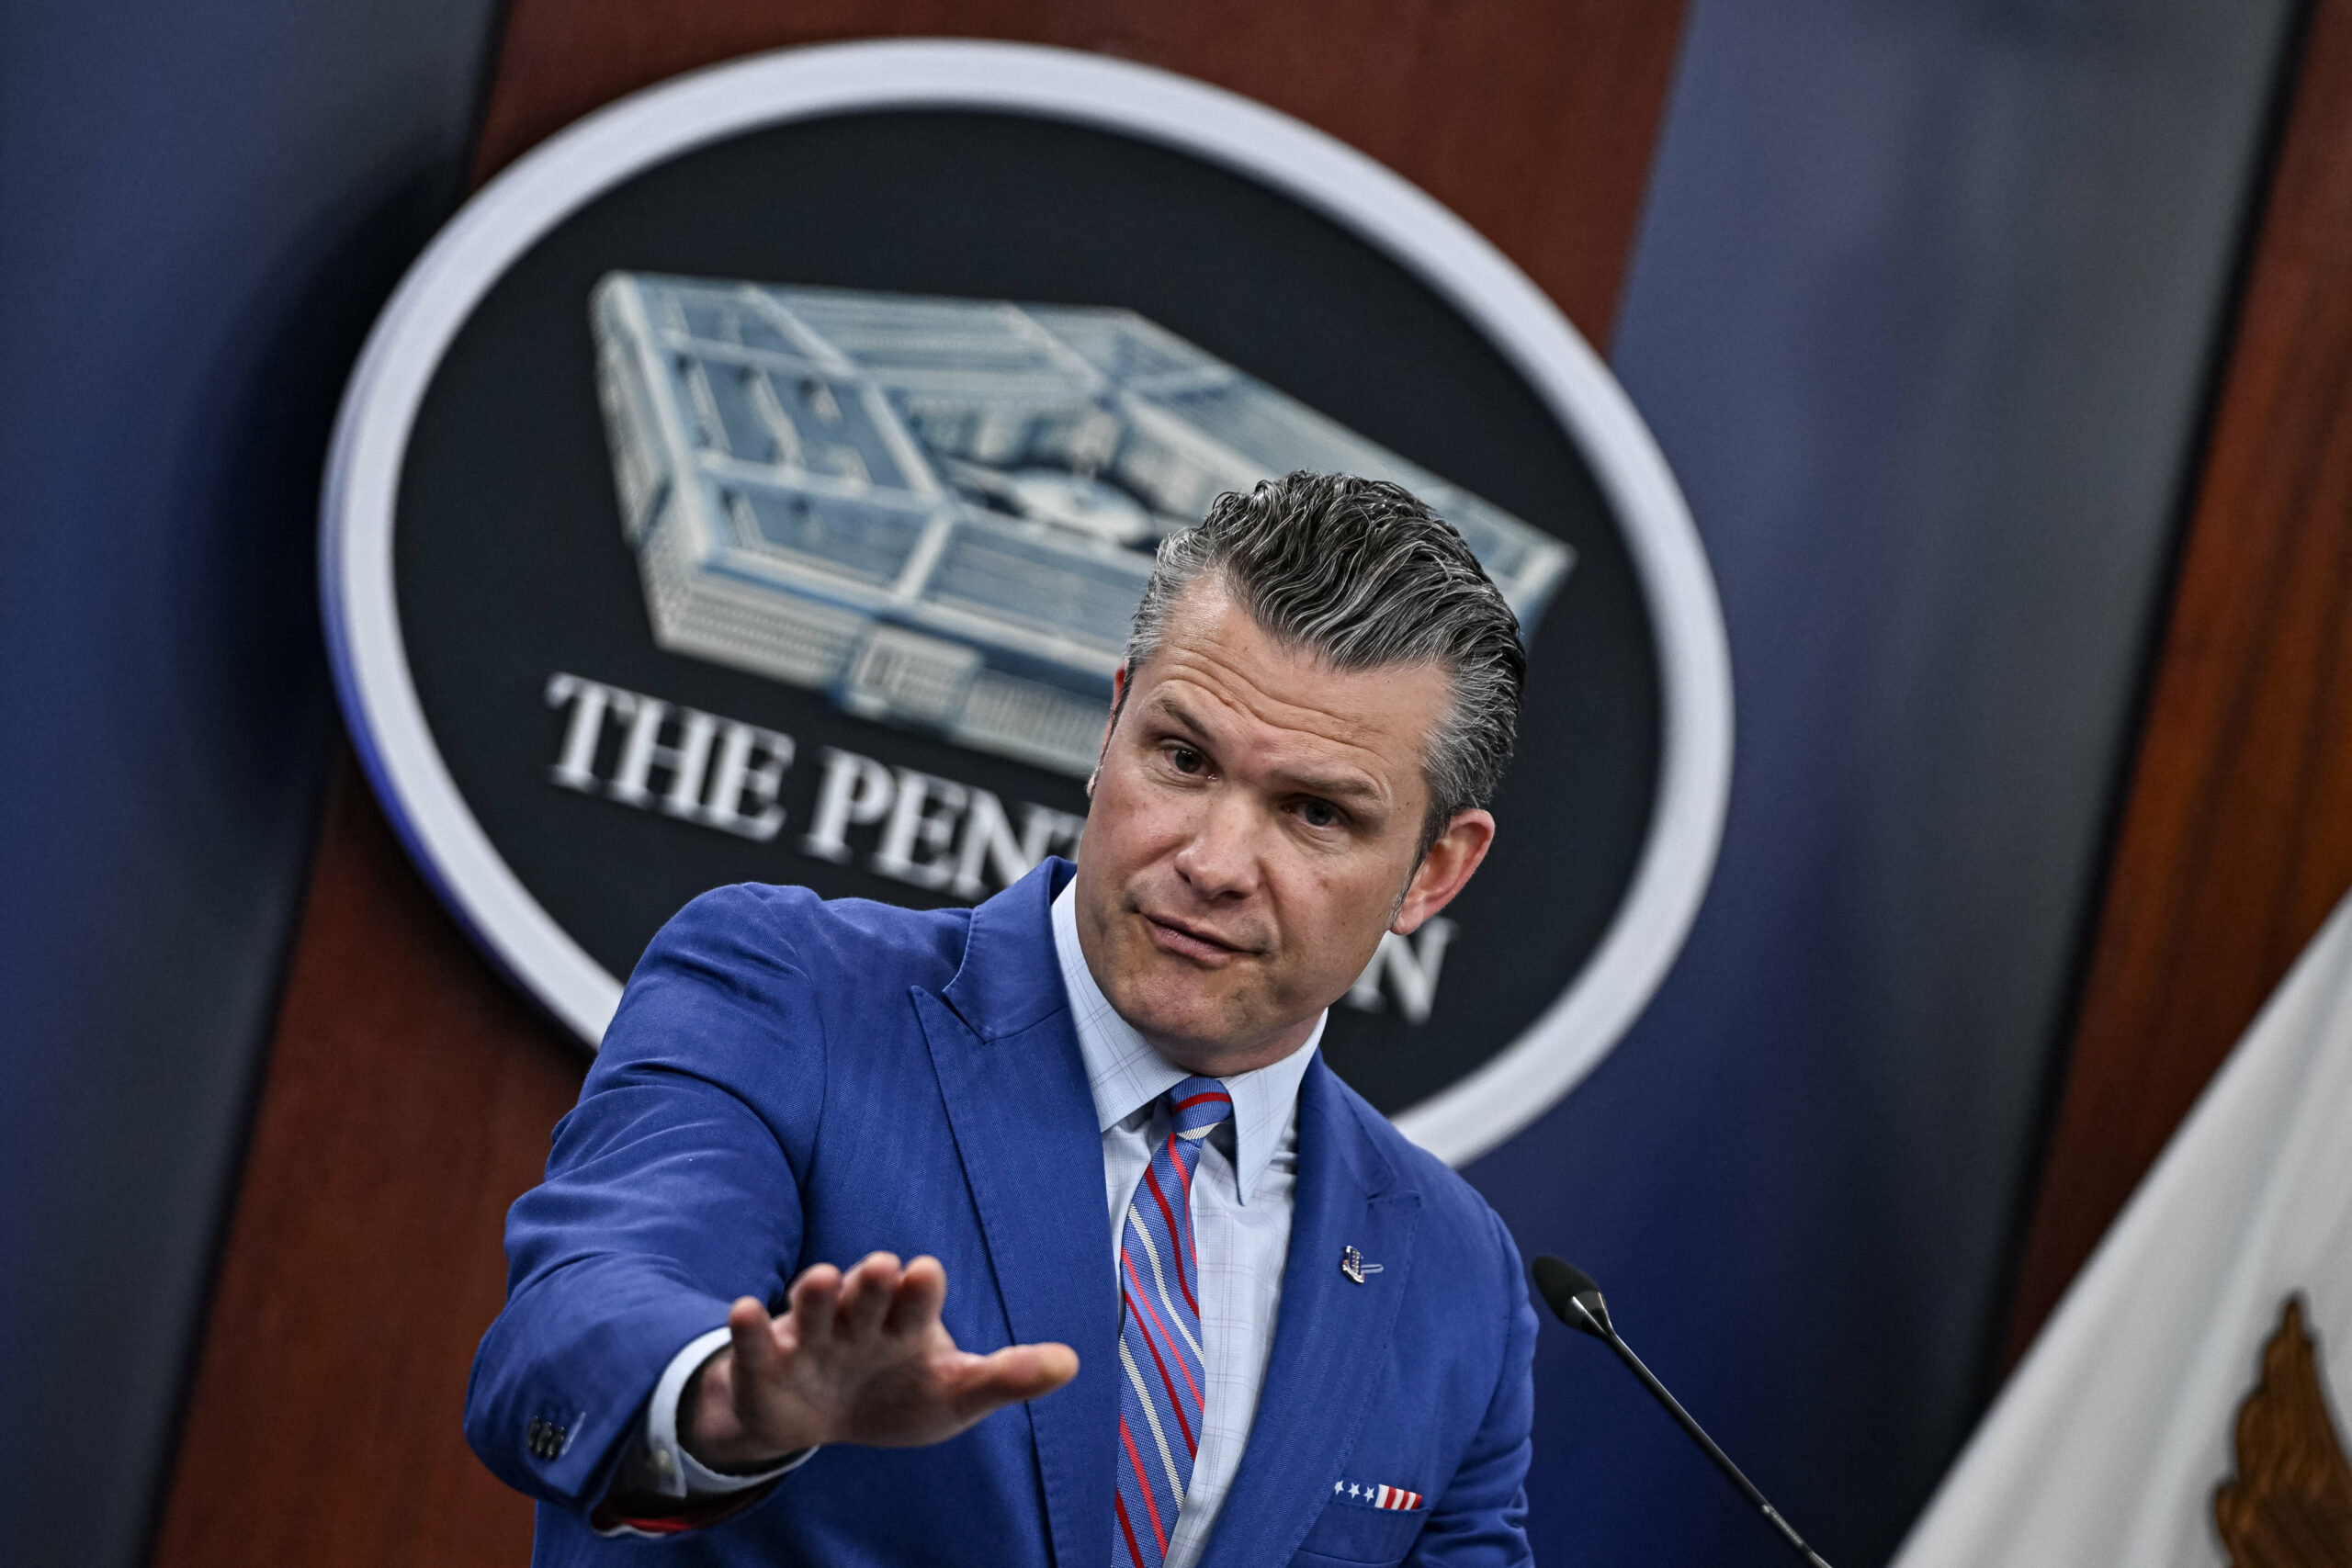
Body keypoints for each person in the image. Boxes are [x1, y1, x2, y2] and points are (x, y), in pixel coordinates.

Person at [465, 471, 1541, 1566]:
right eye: (1182, 759)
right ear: (1112, 726)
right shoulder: (792, 993)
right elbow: (570, 1327)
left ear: (1434, 872)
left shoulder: (1456, 1270)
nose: (1214, 863)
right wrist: (728, 1407)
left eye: (1314, 813)